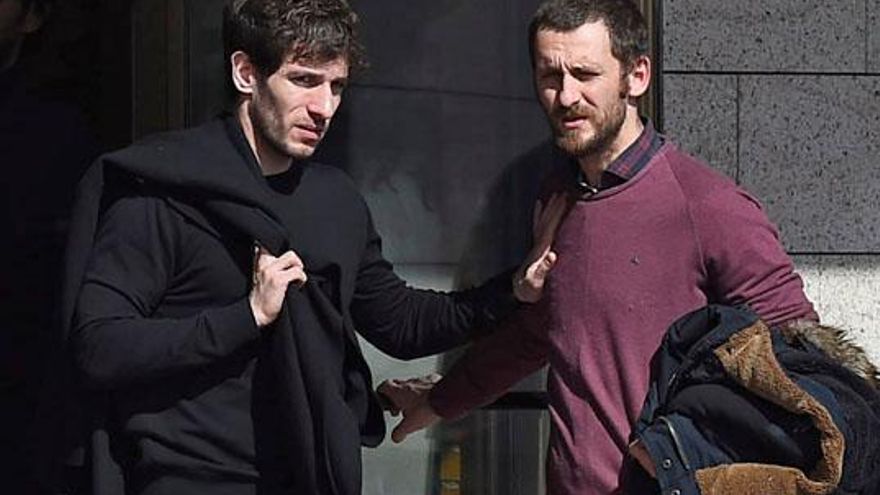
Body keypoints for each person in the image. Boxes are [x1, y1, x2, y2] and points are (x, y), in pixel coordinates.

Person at [47, 1, 565, 494]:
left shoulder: (334, 201)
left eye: (336, 86)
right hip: (187, 476)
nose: (324, 107)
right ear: (245, 74)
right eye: (304, 80)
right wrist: (246, 316)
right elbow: (99, 346)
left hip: (308, 474)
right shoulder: (167, 193)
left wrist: (514, 291)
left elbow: (402, 323)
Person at [381, 1, 819, 494]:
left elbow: (798, 366)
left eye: (585, 74)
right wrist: (441, 400)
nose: (566, 96)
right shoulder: (557, 198)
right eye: (550, 76)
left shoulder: (707, 206)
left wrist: (692, 450)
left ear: (637, 76)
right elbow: (541, 332)